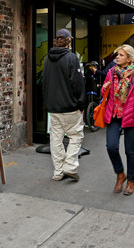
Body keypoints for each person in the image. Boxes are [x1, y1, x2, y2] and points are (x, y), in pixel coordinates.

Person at [101, 44, 134, 196]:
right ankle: (120, 173)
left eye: (121, 55)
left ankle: (131, 180)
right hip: (114, 115)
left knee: (130, 150)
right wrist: (105, 87)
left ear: (129, 59)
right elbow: (103, 92)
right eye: (117, 55)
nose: (117, 57)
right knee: (111, 146)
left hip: (131, 117)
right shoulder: (111, 72)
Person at [42, 29, 86, 182]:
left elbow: (44, 81)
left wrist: (47, 102)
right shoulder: (71, 58)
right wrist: (81, 103)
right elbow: (77, 83)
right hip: (70, 106)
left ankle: (58, 172)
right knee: (75, 136)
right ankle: (70, 167)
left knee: (56, 139)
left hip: (53, 107)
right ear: (68, 41)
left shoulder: (47, 58)